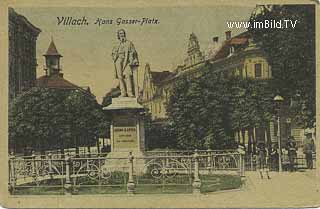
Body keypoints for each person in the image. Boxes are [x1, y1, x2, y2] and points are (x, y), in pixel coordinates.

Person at [111, 29, 139, 97]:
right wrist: (115, 56)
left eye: (123, 33)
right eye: (120, 34)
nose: (122, 35)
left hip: (127, 61)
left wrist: (133, 58)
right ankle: (123, 93)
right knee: (120, 77)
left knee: (128, 76)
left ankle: (129, 92)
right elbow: (113, 53)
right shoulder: (116, 44)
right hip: (119, 60)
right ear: (118, 35)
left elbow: (134, 51)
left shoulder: (129, 43)